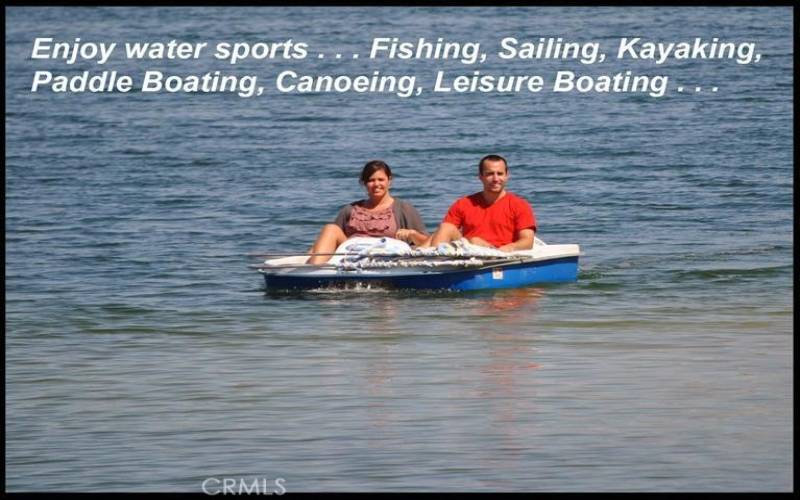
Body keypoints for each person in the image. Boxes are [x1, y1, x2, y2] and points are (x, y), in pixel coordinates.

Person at [307, 160, 428, 264]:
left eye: (381, 179)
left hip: (386, 258)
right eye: (371, 180)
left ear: (389, 181)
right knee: (330, 228)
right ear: (364, 183)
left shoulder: (403, 208)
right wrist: (311, 253)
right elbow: (328, 240)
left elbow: (428, 244)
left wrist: (412, 234)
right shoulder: (350, 209)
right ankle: (312, 275)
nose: (376, 184)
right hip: (352, 255)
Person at [425, 154, 536, 252]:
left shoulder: (519, 205)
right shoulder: (464, 203)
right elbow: (442, 232)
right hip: (468, 252)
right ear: (480, 176)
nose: (495, 178)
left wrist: (508, 248)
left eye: (500, 173)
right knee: (446, 227)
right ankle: (431, 263)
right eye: (490, 174)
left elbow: (527, 241)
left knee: (473, 240)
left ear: (507, 176)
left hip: (499, 254)